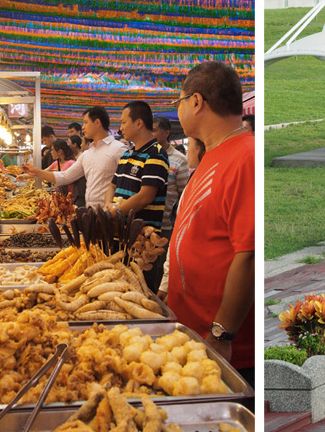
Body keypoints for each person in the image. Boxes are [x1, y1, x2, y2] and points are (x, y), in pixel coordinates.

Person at [167, 61, 254, 386]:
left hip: (223, 348)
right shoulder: (214, 155)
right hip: (192, 333)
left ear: (196, 101)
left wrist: (222, 331)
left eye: (179, 101)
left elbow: (248, 254)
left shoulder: (244, 157)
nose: (179, 110)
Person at [22, 106, 124, 207]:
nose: (83, 127)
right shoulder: (87, 154)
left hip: (110, 214)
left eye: (85, 122)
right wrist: (37, 172)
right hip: (90, 212)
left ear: (97, 123)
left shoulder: (118, 149)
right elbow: (65, 177)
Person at [104, 101, 169, 234]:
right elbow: (112, 186)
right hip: (120, 232)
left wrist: (115, 212)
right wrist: (108, 205)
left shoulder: (156, 154)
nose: (120, 128)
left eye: (123, 122)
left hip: (141, 237)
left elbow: (145, 197)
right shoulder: (127, 155)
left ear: (139, 123)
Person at [151, 116, 189, 291]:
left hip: (166, 224)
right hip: (148, 224)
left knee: (162, 267)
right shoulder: (146, 156)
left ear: (166, 133)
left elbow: (184, 195)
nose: (150, 134)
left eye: (153, 130)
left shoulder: (179, 160)